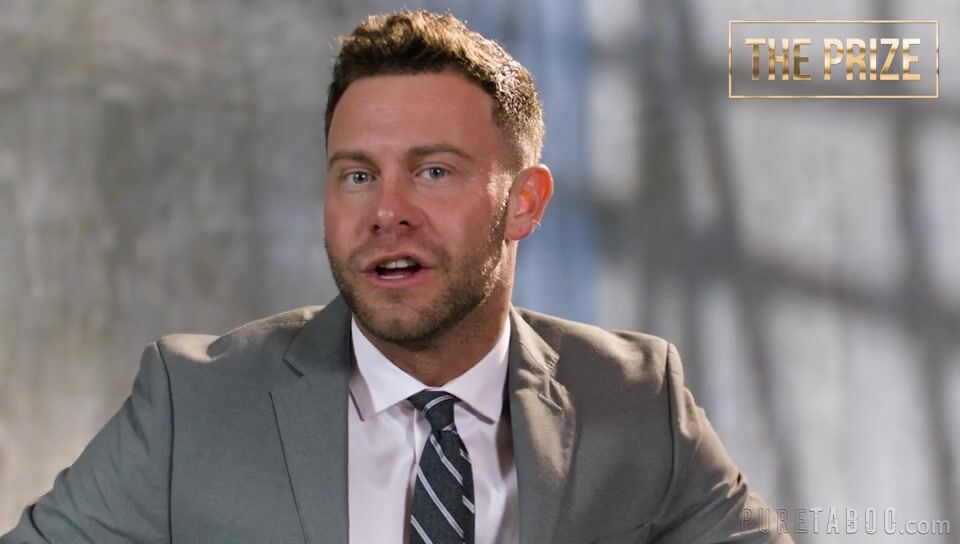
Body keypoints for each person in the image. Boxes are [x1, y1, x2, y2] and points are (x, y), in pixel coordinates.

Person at [2, 10, 791, 544]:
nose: (386, 212)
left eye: (433, 171)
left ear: (523, 203)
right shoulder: (192, 404)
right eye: (357, 176)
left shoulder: (635, 398)